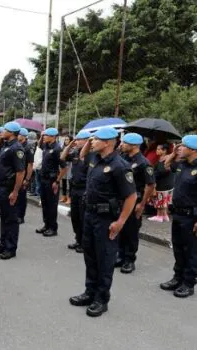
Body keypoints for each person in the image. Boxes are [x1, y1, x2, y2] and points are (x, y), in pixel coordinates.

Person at [69, 127, 137, 317]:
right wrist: (89, 144)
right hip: (90, 215)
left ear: (108, 142)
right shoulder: (95, 159)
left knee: (105, 259)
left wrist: (120, 222)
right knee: (90, 255)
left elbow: (131, 197)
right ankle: (89, 292)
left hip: (106, 219)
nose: (92, 141)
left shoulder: (120, 166)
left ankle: (101, 299)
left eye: (96, 139)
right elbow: (83, 155)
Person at [160, 135, 197, 298]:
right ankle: (177, 278)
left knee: (192, 252)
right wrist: (173, 154)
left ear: (193, 150)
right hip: (178, 215)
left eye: (183, 146)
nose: (179, 148)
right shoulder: (183, 165)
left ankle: (188, 283)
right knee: (178, 249)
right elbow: (166, 164)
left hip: (194, 218)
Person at [117, 133, 155, 274]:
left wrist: (142, 204)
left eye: (124, 143)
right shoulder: (123, 158)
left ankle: (129, 260)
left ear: (133, 145)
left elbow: (150, 185)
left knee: (131, 231)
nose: (122, 145)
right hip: (122, 199)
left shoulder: (143, 163)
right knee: (121, 229)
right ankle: (120, 256)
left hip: (136, 201)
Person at [0, 122, 25, 260]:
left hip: (10, 188)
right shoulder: (6, 145)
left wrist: (15, 191)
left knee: (11, 219)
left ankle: (10, 248)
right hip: (1, 187)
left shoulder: (17, 148)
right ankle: (3, 244)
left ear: (12, 132)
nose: (2, 131)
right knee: (4, 217)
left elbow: (20, 172)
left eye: (5, 130)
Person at [61, 130, 91, 253]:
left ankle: (84, 243)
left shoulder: (91, 155)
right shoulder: (74, 152)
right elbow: (62, 157)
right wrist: (70, 144)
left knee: (83, 217)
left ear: (86, 141)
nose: (77, 141)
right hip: (74, 188)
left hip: (84, 189)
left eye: (79, 139)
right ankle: (78, 239)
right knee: (75, 217)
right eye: (76, 139)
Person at [35, 128, 68, 237]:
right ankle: (46, 225)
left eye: (46, 135)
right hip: (43, 179)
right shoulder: (45, 146)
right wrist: (41, 137)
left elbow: (64, 168)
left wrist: (57, 181)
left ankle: (53, 228)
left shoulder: (57, 149)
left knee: (52, 205)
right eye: (43, 135)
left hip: (52, 181)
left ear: (53, 137)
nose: (44, 137)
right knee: (44, 204)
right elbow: (39, 145)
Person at [148, 143, 175, 222]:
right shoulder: (160, 159)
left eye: (159, 149)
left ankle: (159, 216)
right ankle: (164, 215)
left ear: (164, 151)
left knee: (161, 199)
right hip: (163, 182)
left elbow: (163, 171)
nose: (157, 151)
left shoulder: (167, 159)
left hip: (164, 183)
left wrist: (154, 174)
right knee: (163, 199)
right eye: (157, 149)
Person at [16, 128, 34, 224]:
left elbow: (30, 164)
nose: (17, 136)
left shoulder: (28, 147)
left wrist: (27, 179)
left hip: (24, 175)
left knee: (22, 197)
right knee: (16, 196)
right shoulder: (18, 145)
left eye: (18, 134)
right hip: (17, 174)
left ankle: (20, 216)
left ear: (23, 136)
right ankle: (16, 214)